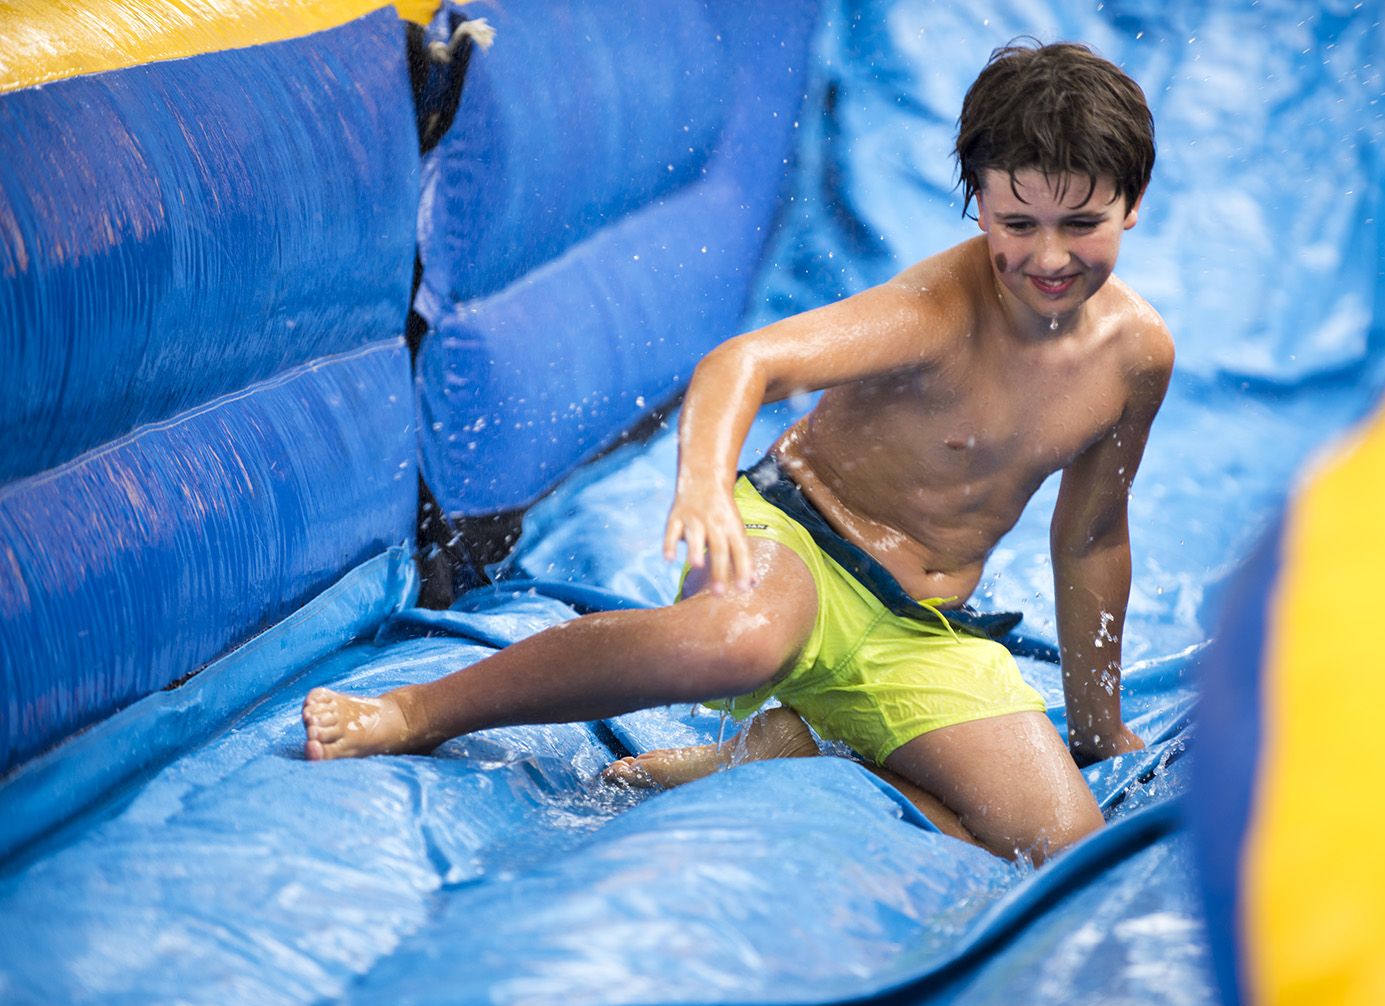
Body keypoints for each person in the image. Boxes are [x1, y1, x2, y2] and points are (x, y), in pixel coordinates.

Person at [302, 41, 1172, 865]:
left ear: (1132, 204)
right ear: (976, 201)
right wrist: (707, 492)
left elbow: (1091, 538)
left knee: (1060, 848)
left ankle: (782, 752)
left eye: (1082, 223)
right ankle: (419, 709)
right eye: (1017, 222)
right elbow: (743, 360)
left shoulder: (1135, 359)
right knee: (742, 637)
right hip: (795, 542)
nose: (1048, 256)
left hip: (916, 628)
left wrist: (1098, 726)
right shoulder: (938, 312)